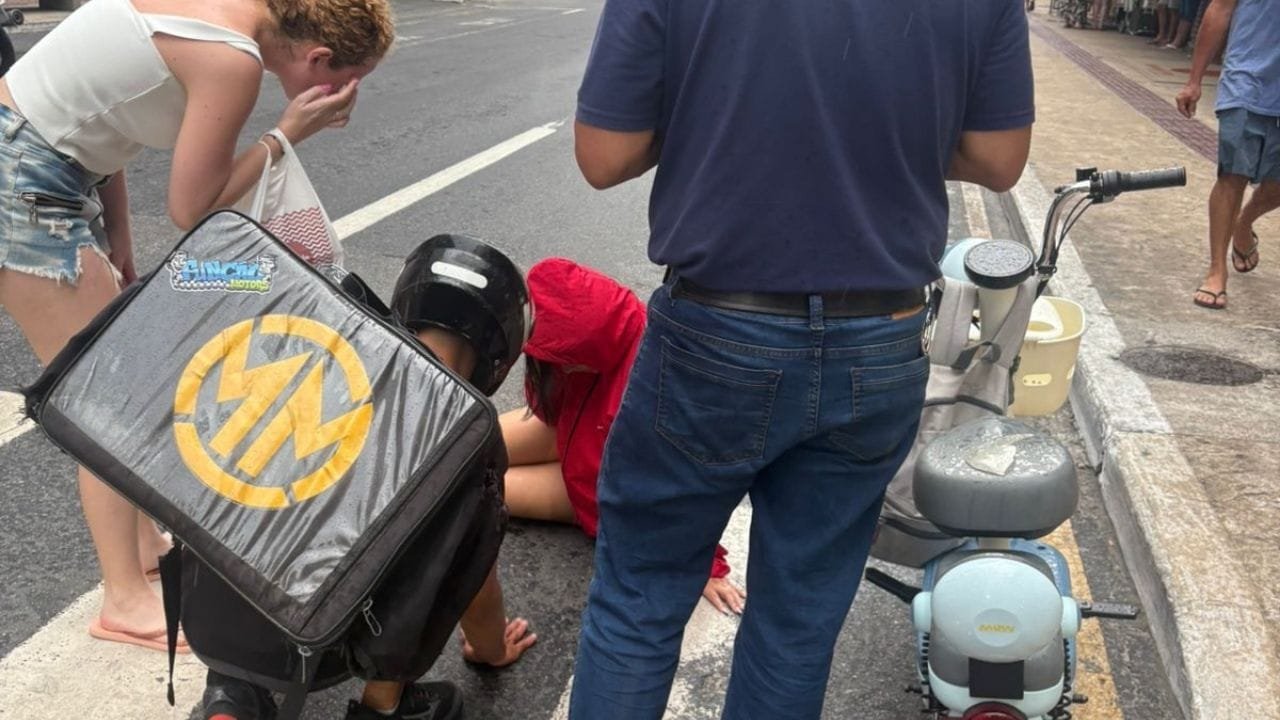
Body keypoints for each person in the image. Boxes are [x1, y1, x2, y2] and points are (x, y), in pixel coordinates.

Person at [566, 1, 1034, 718]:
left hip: (716, 332)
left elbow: (604, 155)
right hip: (880, 335)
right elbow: (1000, 159)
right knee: (796, 629)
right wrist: (876, 133)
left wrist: (727, 114)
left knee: (640, 600)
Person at [0, 0, 392, 652]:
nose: (348, 94)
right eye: (349, 78)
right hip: (24, 181)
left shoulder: (221, 15)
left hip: (53, 166)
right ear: (318, 59)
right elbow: (193, 207)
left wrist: (118, 236)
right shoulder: (231, 59)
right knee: (105, 396)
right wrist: (286, 133)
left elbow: (105, 117)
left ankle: (147, 546)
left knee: (117, 372)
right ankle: (122, 599)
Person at [202, 236, 538, 720]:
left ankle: (232, 695)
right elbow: (474, 576)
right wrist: (491, 649)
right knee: (433, 550)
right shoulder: (469, 442)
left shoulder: (334, 358)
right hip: (342, 637)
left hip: (228, 615)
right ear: (499, 355)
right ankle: (384, 706)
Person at [502, 257, 745, 615]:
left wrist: (706, 567)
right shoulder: (575, 349)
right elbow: (545, 409)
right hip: (575, 434)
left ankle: (403, 504)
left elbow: (686, 484)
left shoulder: (653, 386)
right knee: (467, 444)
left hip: (591, 487)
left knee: (481, 487)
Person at [1177, 0, 1280, 310]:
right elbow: (1220, 9)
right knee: (1232, 173)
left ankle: (1243, 223)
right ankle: (1216, 271)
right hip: (1246, 80)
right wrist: (1194, 80)